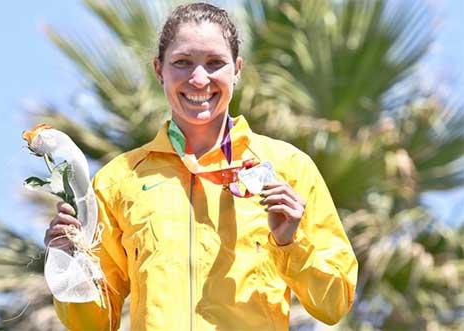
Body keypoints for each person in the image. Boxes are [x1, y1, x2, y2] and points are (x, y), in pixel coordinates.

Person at [45, 3, 358, 331]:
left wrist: (290, 243)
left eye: (215, 63)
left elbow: (334, 304)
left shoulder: (290, 168)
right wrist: (69, 261)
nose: (198, 79)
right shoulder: (119, 179)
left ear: (237, 69)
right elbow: (93, 324)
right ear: (158, 69)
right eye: (182, 62)